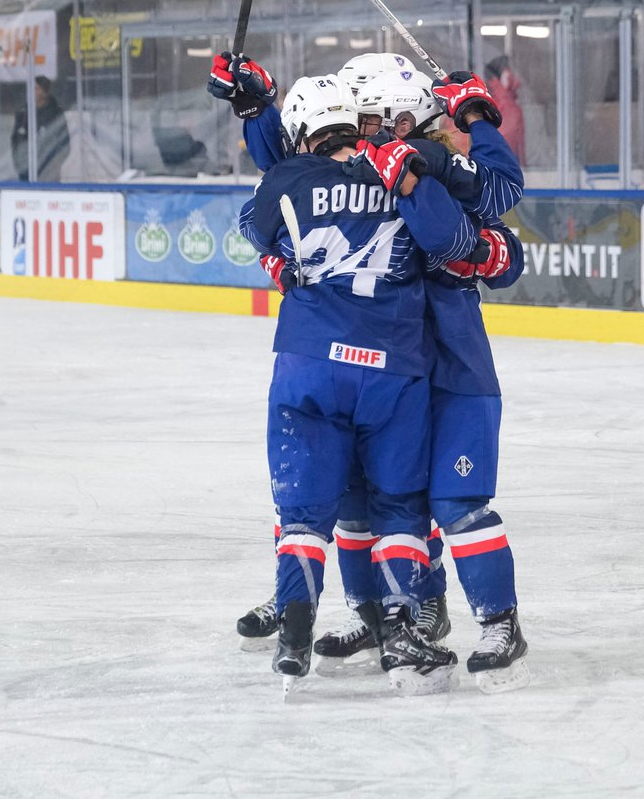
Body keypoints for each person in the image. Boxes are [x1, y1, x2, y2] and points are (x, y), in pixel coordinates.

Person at [219, 53, 530, 691]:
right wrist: (257, 111)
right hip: (390, 366)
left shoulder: (422, 163)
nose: (360, 133)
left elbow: (497, 216)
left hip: (448, 367)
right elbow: (297, 169)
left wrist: (469, 125)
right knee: (360, 502)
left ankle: (494, 621)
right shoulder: (373, 165)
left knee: (452, 502)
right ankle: (395, 613)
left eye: (369, 120)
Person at [10, 75, 71, 183]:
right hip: (25, 173)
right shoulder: (22, 114)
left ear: (45, 93)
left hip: (49, 175)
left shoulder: (55, 114)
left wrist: (53, 166)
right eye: (30, 89)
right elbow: (15, 141)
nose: (31, 92)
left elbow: (65, 144)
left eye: (36, 89)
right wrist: (19, 163)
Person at [486, 56, 525, 166]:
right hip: (504, 165)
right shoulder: (503, 105)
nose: (516, 80)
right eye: (509, 75)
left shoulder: (507, 103)